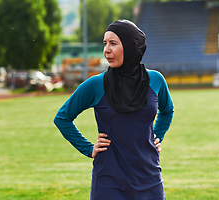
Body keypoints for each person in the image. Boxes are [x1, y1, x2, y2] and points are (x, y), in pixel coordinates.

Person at [54, 20, 174, 200]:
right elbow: (62, 118)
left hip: (149, 177)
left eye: (113, 43)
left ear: (131, 46)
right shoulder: (95, 84)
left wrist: (157, 136)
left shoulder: (156, 80)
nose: (106, 50)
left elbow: (167, 111)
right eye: (105, 43)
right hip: (109, 182)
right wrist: (88, 148)